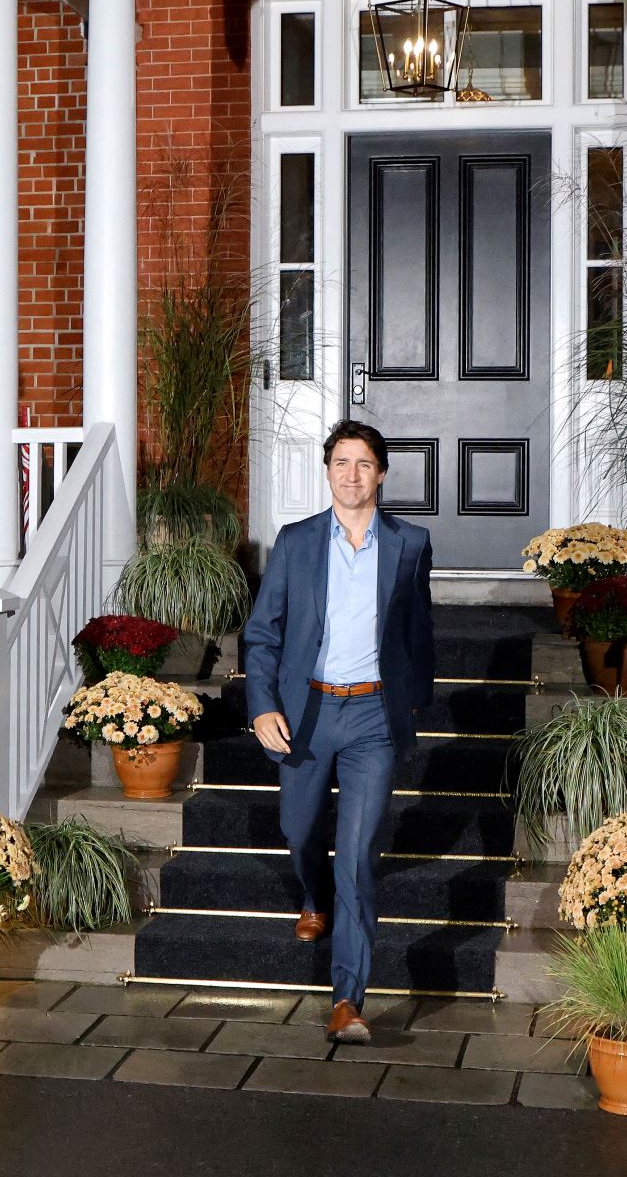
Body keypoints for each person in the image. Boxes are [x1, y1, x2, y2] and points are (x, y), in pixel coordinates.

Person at [241, 420, 434, 1045]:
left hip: (373, 718)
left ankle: (348, 998)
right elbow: (264, 633)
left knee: (356, 856)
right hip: (306, 715)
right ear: (327, 472)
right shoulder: (296, 542)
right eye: (340, 463)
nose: (351, 476)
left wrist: (412, 705)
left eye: (363, 464)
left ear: (380, 473)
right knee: (299, 830)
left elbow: (417, 635)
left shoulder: (410, 543)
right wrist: (262, 704)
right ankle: (310, 894)